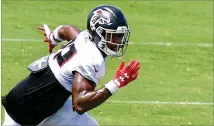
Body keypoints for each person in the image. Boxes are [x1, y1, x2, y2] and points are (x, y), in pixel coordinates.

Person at [2, 5, 140, 125]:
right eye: (113, 35)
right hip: (24, 111)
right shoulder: (92, 58)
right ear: (98, 33)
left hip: (48, 104)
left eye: (120, 35)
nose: (119, 40)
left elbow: (66, 30)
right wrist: (117, 83)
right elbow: (79, 104)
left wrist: (53, 37)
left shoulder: (85, 37)